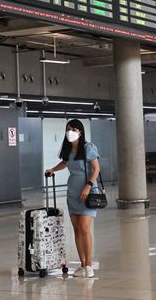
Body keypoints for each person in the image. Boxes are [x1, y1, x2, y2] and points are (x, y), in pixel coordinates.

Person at [44, 119, 100, 278]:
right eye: (68, 129)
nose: (70, 132)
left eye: (74, 129)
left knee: (84, 228)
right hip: (73, 193)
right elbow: (64, 163)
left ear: (80, 132)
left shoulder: (88, 147)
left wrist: (88, 185)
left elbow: (96, 168)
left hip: (87, 193)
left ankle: (89, 265)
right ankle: (82, 264)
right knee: (76, 230)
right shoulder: (68, 150)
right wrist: (53, 169)